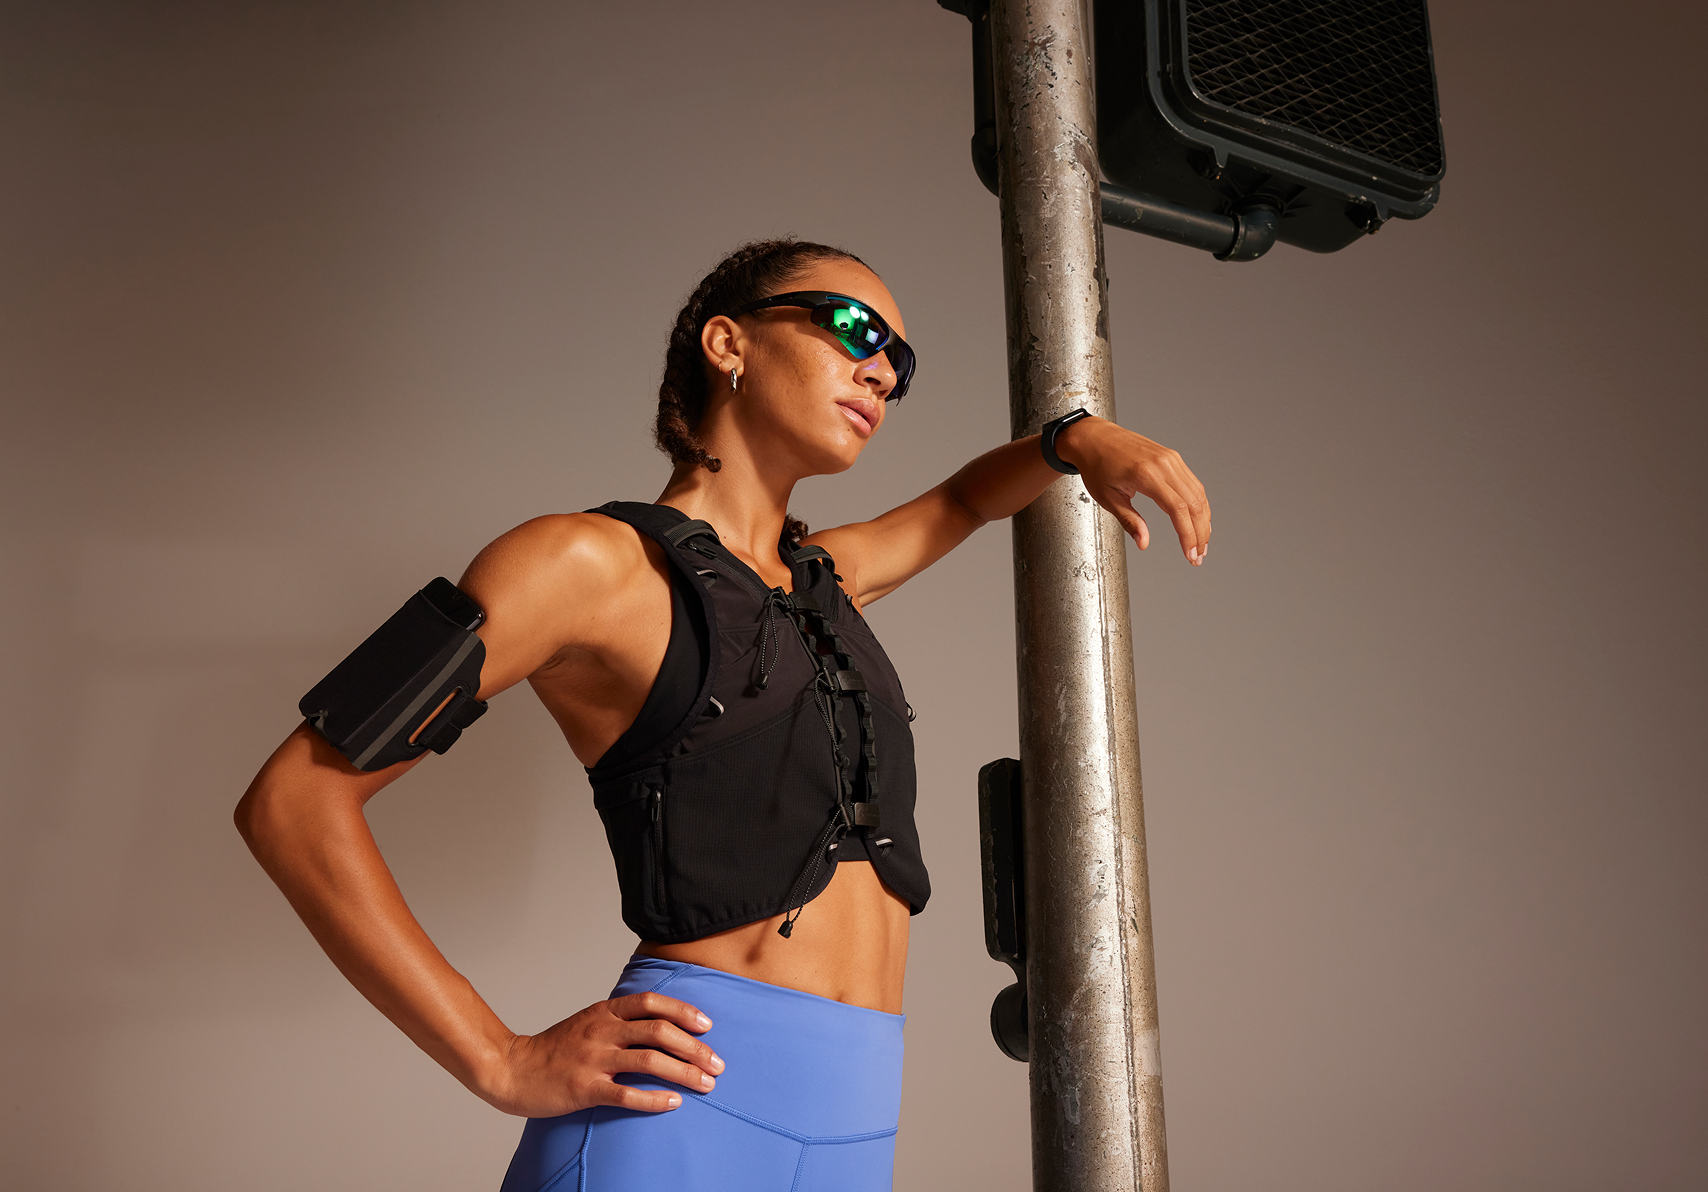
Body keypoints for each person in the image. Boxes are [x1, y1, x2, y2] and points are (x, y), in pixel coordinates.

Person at [235, 237, 1210, 1192]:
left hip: (855, 1118)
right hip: (675, 1112)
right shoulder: (582, 563)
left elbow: (959, 501)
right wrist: (497, 1055)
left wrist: (1072, 439)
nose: (879, 371)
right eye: (852, 327)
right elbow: (293, 800)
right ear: (727, 343)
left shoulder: (826, 580)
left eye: (898, 364)